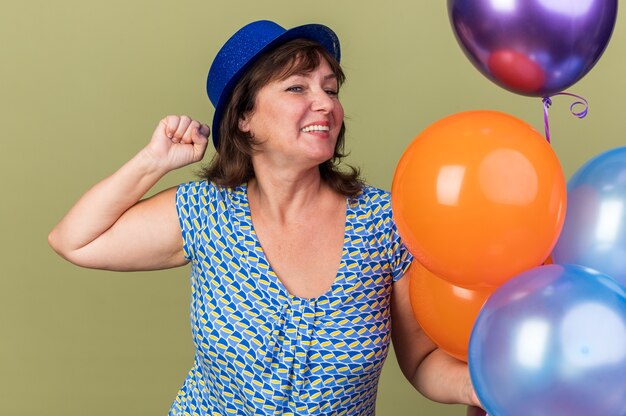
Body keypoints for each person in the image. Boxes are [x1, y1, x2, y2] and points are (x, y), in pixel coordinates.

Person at [49, 19, 481, 415]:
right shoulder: (205, 212)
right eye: (297, 88)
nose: (325, 104)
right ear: (244, 118)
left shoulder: (384, 223)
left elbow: (422, 360)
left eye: (330, 90)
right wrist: (153, 161)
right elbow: (74, 240)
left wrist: (478, 387)